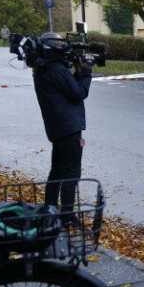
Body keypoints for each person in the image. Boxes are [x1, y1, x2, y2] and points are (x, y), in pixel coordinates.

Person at [32, 32, 94, 211]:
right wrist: (86, 72)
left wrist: (77, 72)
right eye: (60, 43)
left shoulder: (43, 67)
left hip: (57, 128)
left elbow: (66, 89)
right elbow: (78, 93)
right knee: (71, 173)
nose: (64, 47)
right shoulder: (56, 69)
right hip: (69, 128)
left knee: (57, 171)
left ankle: (49, 210)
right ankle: (67, 215)